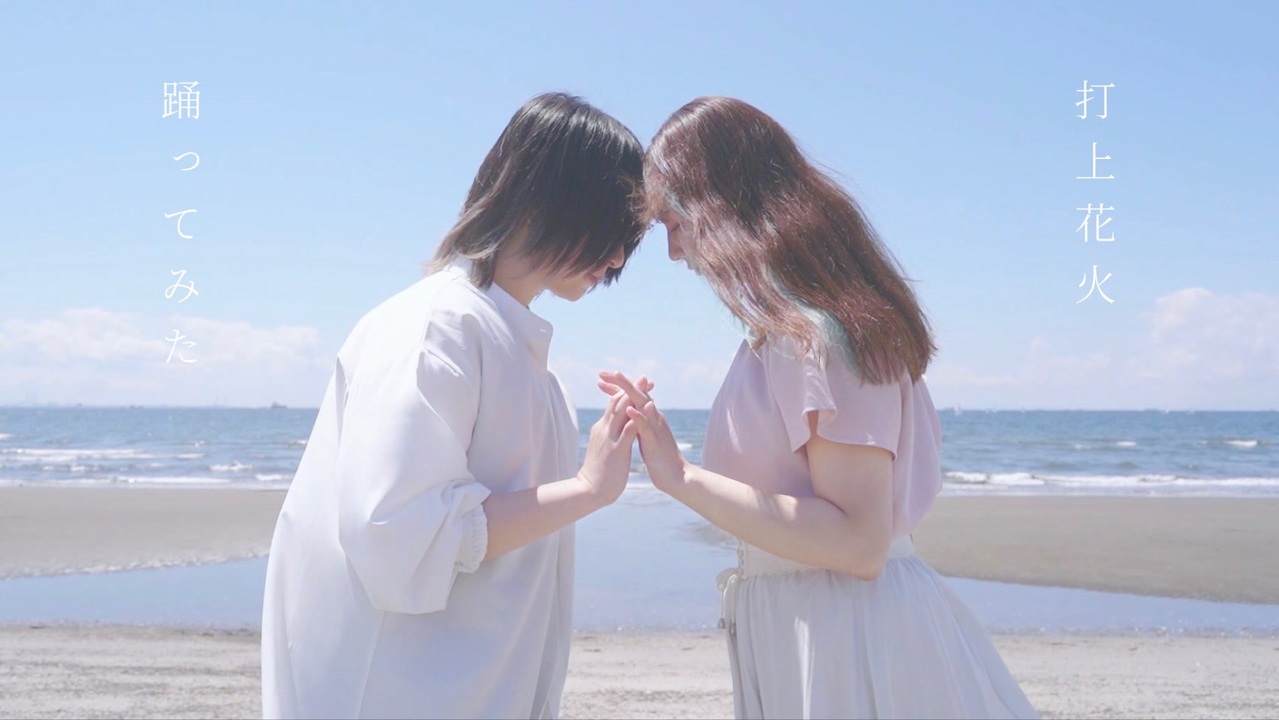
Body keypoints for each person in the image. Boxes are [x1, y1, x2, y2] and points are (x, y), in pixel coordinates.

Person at [600, 96, 1039, 719]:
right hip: (820, 626)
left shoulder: (814, 336)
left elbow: (860, 544)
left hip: (848, 637)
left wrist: (681, 477)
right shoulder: (786, 334)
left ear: (723, 207)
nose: (673, 251)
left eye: (674, 222)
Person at [261, 92, 652, 720]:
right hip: (398, 692)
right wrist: (588, 488)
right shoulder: (436, 325)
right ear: (552, 199)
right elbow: (395, 531)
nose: (617, 259)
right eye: (614, 229)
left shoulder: (524, 355)